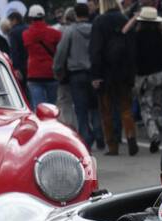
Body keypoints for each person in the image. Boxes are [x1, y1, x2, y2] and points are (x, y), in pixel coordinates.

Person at [91, 0, 140, 154]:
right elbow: (132, 49)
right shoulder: (125, 20)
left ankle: (112, 146)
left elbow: (96, 49)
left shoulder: (99, 21)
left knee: (106, 110)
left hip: (105, 72)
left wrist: (95, 74)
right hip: (124, 72)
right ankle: (131, 137)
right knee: (126, 108)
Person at [132, 6, 162, 150]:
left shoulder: (136, 37)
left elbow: (132, 58)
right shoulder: (161, 37)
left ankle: (154, 135)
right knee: (158, 105)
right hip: (160, 75)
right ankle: (159, 128)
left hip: (144, 76)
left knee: (146, 107)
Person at [56, 2, 101, 146]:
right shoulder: (95, 29)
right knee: (95, 107)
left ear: (75, 15)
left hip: (76, 74)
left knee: (81, 109)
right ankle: (100, 135)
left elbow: (61, 51)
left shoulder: (70, 31)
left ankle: (85, 138)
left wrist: (57, 69)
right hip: (94, 73)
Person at [24, 5, 63, 109]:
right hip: (51, 73)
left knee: (39, 107)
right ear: (44, 17)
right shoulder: (55, 33)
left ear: (31, 18)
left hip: (34, 74)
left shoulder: (26, 34)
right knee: (52, 108)